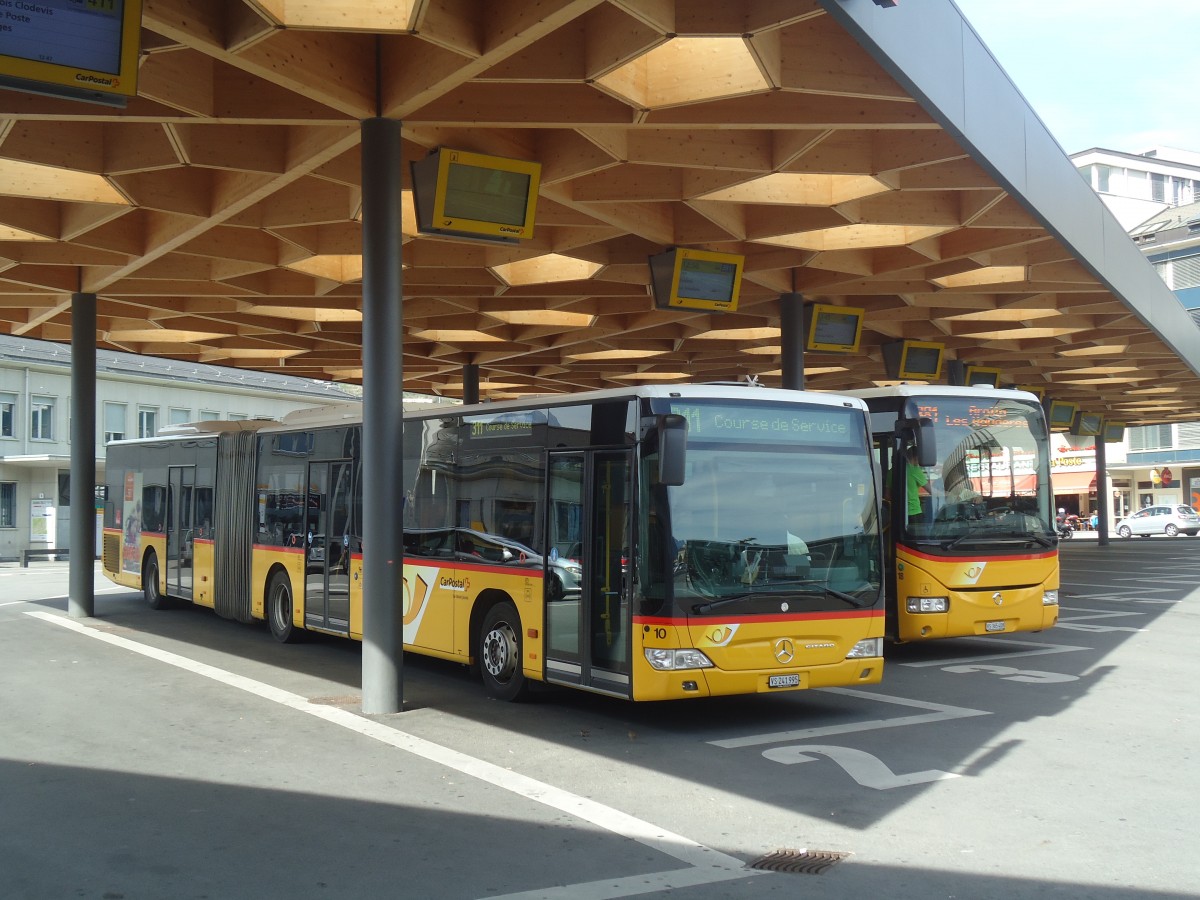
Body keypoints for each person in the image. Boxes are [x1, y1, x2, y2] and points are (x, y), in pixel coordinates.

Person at [906, 447, 929, 523]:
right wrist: (948, 494)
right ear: (916, 458)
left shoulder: (892, 471)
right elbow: (931, 491)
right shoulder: (915, 470)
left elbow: (887, 496)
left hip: (898, 513)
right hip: (914, 512)